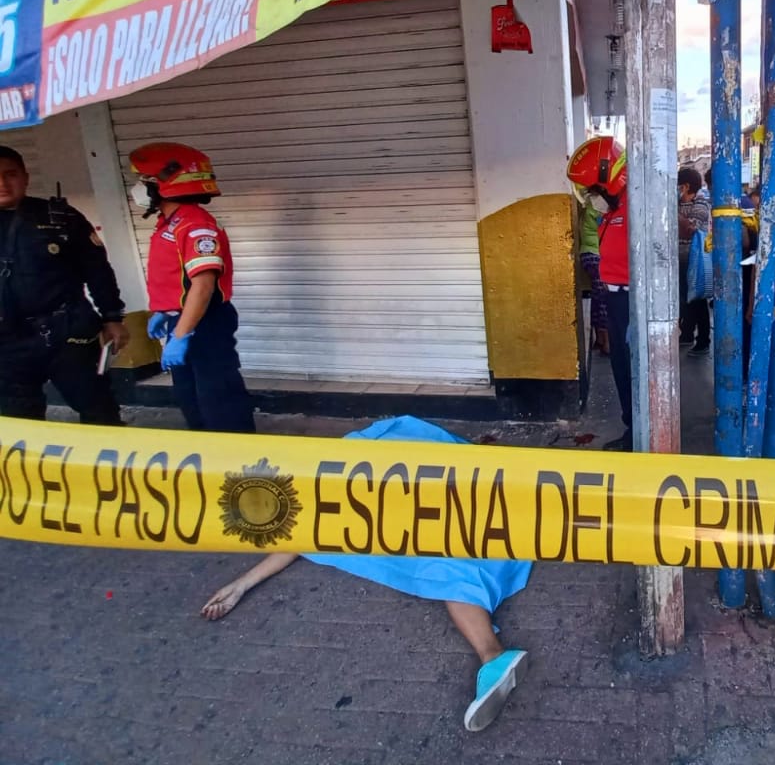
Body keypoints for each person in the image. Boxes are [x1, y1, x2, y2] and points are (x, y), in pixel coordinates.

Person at [201, 416, 532, 733]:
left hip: (474, 505)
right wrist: (241, 584)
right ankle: (493, 658)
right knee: (448, 569)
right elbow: (302, 537)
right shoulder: (329, 482)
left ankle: (492, 655)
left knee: (450, 569)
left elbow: (454, 458)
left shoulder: (362, 449)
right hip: (472, 516)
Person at [128, 142, 255, 433]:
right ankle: (206, 453)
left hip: (203, 321)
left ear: (164, 185)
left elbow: (203, 285)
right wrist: (166, 312)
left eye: (145, 182)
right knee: (191, 396)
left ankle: (235, 457)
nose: (138, 189)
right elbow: (177, 277)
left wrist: (182, 333)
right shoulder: (170, 223)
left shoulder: (194, 224)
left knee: (218, 397)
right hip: (184, 318)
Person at [0, 145, 129, 424]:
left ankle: (108, 467)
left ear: (25, 177)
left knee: (99, 412)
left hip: (66, 332)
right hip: (8, 341)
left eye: (10, 174)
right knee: (18, 422)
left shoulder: (60, 218)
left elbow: (98, 271)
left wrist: (112, 317)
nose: (2, 183)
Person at [566, 137, 632, 451]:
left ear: (607, 182)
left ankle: (638, 435)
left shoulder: (637, 208)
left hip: (634, 302)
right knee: (620, 367)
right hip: (616, 298)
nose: (590, 198)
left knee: (632, 369)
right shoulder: (613, 211)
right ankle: (632, 428)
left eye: (592, 191)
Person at [677, 167, 711, 356]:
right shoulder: (679, 204)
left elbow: (691, 229)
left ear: (687, 186)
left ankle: (703, 340)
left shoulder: (701, 204)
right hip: (680, 259)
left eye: (679, 186)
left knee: (698, 300)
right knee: (685, 299)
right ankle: (687, 333)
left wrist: (675, 214)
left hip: (696, 261)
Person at [578, 198, 609, 354]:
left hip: (587, 254)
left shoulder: (588, 202)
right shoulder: (599, 205)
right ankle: (607, 341)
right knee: (603, 297)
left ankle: (600, 339)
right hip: (596, 254)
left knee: (597, 296)